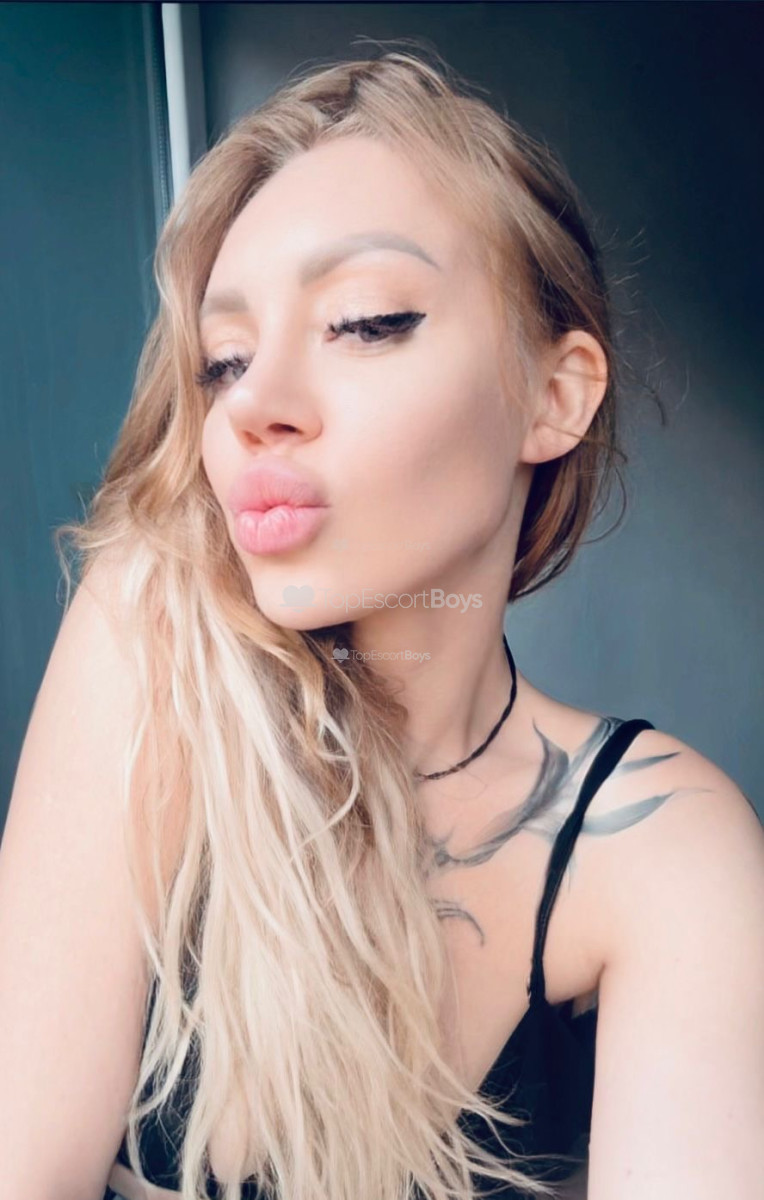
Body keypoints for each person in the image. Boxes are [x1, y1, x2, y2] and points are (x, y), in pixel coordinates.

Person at [2, 46, 762, 1200]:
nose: (254, 406)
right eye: (223, 360)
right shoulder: (153, 637)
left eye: (363, 322)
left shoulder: (659, 842)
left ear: (554, 395)